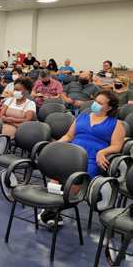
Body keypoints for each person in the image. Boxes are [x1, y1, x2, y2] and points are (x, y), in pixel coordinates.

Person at [40, 90, 125, 227]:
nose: (95, 105)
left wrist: (102, 152)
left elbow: (117, 146)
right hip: (71, 154)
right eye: (95, 101)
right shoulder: (82, 117)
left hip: (91, 158)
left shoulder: (116, 124)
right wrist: (55, 144)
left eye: (100, 103)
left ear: (109, 107)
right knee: (56, 175)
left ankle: (52, 209)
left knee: (74, 183)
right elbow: (69, 136)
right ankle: (52, 208)